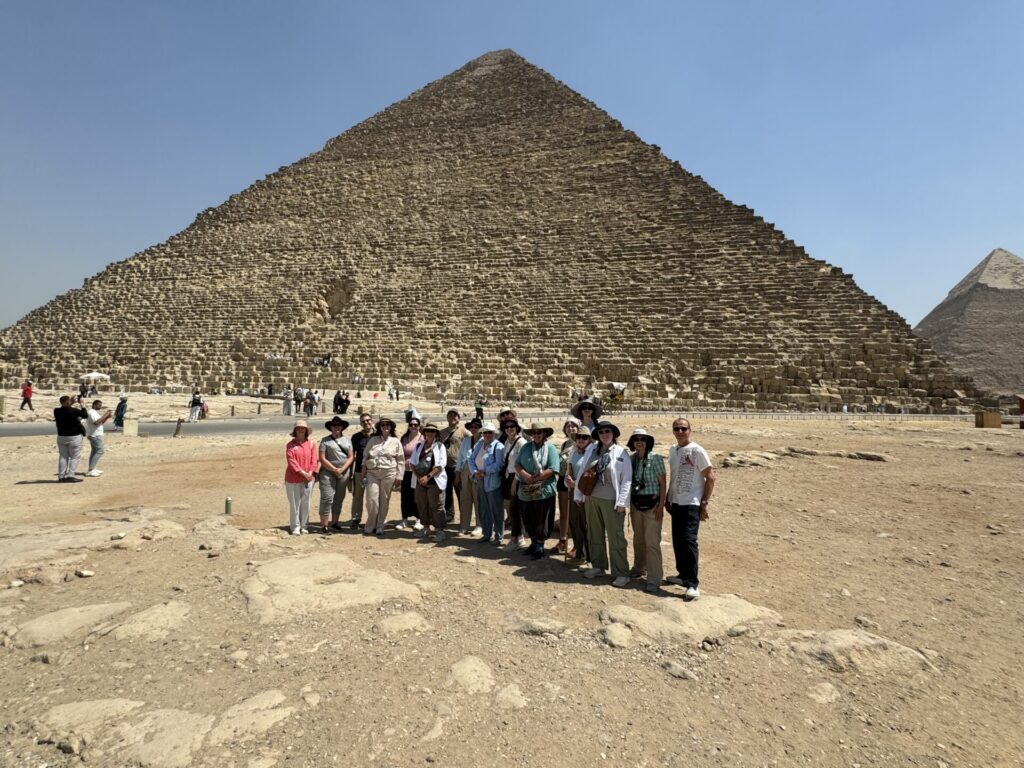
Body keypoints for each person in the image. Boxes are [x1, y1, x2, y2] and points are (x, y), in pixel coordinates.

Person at [573, 421, 633, 587]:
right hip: (592, 498)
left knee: (616, 537)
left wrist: (622, 502)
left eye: (608, 431)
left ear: (613, 434)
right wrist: (578, 494)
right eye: (601, 432)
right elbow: (583, 471)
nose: (605, 434)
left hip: (612, 501)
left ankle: (621, 572)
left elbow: (626, 479)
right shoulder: (592, 450)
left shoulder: (621, 453)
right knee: (595, 533)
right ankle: (598, 566)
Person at [666, 418, 715, 600]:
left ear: (690, 430)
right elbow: (674, 475)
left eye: (683, 429)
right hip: (676, 501)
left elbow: (710, 477)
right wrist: (667, 498)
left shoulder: (697, 450)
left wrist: (704, 503)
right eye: (677, 429)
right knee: (678, 540)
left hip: (691, 503)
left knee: (689, 541)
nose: (680, 432)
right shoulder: (673, 450)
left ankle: (693, 583)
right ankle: (682, 576)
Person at [626, 428, 667, 593]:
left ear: (647, 441)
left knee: (652, 542)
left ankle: (654, 578)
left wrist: (661, 506)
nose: (639, 441)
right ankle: (638, 568)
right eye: (636, 439)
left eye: (642, 438)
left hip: (652, 505)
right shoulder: (631, 459)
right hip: (636, 504)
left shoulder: (656, 458)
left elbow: (663, 483)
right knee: (638, 539)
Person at [515, 423, 561, 559]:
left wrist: (537, 478)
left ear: (544, 434)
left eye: (539, 432)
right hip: (526, 489)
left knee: (542, 519)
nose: (536, 435)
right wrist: (526, 476)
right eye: (534, 433)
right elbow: (517, 464)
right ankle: (534, 543)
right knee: (528, 517)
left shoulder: (551, 449)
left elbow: (553, 468)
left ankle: (540, 545)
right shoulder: (525, 447)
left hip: (544, 490)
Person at [361, 417, 405, 535]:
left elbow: (401, 460)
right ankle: (371, 524)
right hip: (372, 473)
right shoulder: (373, 440)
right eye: (383, 425)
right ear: (379, 427)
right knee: (371, 500)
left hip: (389, 473)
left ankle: (380, 525)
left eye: (387, 425)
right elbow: (365, 457)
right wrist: (363, 474)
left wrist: (399, 477)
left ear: (391, 427)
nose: (385, 427)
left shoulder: (396, 441)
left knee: (384, 500)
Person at [409, 423, 449, 542]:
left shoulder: (440, 446)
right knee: (422, 504)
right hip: (420, 481)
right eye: (428, 431)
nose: (430, 433)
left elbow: (441, 465)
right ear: (425, 433)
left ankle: (440, 530)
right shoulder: (419, 446)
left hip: (435, 481)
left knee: (436, 505)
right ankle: (426, 527)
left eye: (432, 431)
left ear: (436, 433)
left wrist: (428, 477)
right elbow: (412, 462)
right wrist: (419, 477)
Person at [469, 421, 505, 544]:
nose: (487, 435)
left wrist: (485, 472)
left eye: (490, 432)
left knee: (495, 509)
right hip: (480, 480)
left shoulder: (498, 446)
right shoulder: (480, 444)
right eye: (485, 433)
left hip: (492, 481)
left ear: (494, 433)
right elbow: (471, 459)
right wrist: (475, 471)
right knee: (483, 508)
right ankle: (487, 533)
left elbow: (499, 464)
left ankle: (499, 535)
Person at [317, 416, 353, 534]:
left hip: (343, 472)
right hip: (328, 472)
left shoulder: (347, 440)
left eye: (339, 425)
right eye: (334, 426)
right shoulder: (325, 440)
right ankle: (324, 525)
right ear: (331, 427)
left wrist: (342, 469)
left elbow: (351, 456)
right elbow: (322, 458)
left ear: (342, 427)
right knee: (327, 498)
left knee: (339, 498)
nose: (336, 427)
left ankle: (335, 523)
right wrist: (334, 469)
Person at [564, 424, 592, 563]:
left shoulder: (592, 454)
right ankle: (579, 553)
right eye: (579, 437)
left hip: (586, 496)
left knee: (585, 526)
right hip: (573, 494)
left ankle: (588, 555)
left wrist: (576, 484)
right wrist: (567, 482)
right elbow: (569, 473)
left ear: (589, 440)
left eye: (584, 437)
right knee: (575, 524)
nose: (581, 439)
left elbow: (591, 478)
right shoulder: (574, 453)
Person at [285, 420, 318, 535]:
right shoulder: (290, 445)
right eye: (298, 428)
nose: (301, 430)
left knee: (306, 503)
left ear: (306, 430)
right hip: (293, 478)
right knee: (295, 503)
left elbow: (314, 460)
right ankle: (295, 526)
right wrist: (303, 473)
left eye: (303, 428)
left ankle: (304, 525)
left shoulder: (312, 443)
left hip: (308, 478)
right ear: (295, 430)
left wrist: (310, 473)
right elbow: (291, 461)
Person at [554, 417, 581, 554]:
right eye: (568, 426)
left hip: (574, 482)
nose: (570, 428)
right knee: (564, 513)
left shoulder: (581, 443)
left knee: (575, 516)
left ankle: (577, 545)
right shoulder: (565, 444)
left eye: (573, 426)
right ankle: (563, 539)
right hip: (562, 481)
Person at [500, 419, 528, 550]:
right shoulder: (507, 442)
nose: (509, 429)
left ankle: (517, 538)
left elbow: (522, 463)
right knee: (513, 508)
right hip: (509, 477)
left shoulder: (521, 442)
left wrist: (515, 480)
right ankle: (517, 537)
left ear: (517, 428)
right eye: (507, 427)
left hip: (517, 478)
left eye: (512, 427)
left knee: (516, 507)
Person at [438, 409, 468, 524]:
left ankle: (464, 518)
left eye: (455, 416)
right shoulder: (442, 433)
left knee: (461, 493)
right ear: (447, 418)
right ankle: (450, 516)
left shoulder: (464, 432)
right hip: (445, 467)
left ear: (459, 418)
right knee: (447, 493)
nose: (452, 418)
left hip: (458, 467)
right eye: (450, 415)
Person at [396, 418, 424, 532]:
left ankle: (418, 519)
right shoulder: (404, 438)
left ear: (419, 425)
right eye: (411, 424)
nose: (413, 427)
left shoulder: (422, 438)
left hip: (417, 472)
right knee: (405, 495)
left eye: (416, 425)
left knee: (416, 495)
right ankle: (404, 519)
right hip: (405, 472)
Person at [455, 417, 482, 535]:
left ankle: (479, 525)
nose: (474, 429)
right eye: (472, 427)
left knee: (478, 499)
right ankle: (464, 525)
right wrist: (458, 474)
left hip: (478, 472)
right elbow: (460, 457)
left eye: (476, 426)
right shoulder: (466, 440)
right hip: (465, 470)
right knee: (465, 499)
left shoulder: (483, 441)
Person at [348, 412, 375, 529]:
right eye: (363, 421)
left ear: (372, 420)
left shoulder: (378, 436)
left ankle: (372, 520)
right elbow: (351, 456)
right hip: (359, 471)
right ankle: (356, 519)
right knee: (357, 496)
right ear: (360, 423)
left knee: (372, 497)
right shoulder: (356, 437)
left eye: (368, 420)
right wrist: (350, 473)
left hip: (374, 472)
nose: (366, 423)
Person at [54, 395, 88, 482]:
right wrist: (82, 404)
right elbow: (85, 415)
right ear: (68, 402)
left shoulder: (57, 411)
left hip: (61, 436)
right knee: (75, 457)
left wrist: (71, 402)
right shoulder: (74, 411)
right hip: (74, 437)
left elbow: (65, 408)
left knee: (63, 457)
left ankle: (61, 477)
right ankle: (70, 475)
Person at [84, 399, 112, 477]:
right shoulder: (92, 412)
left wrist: (107, 417)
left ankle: (92, 468)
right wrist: (105, 415)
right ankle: (91, 470)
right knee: (100, 451)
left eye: (101, 405)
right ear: (94, 405)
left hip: (95, 434)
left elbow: (100, 422)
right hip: (95, 435)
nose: (100, 407)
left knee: (94, 451)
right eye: (99, 405)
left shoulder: (95, 413)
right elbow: (96, 422)